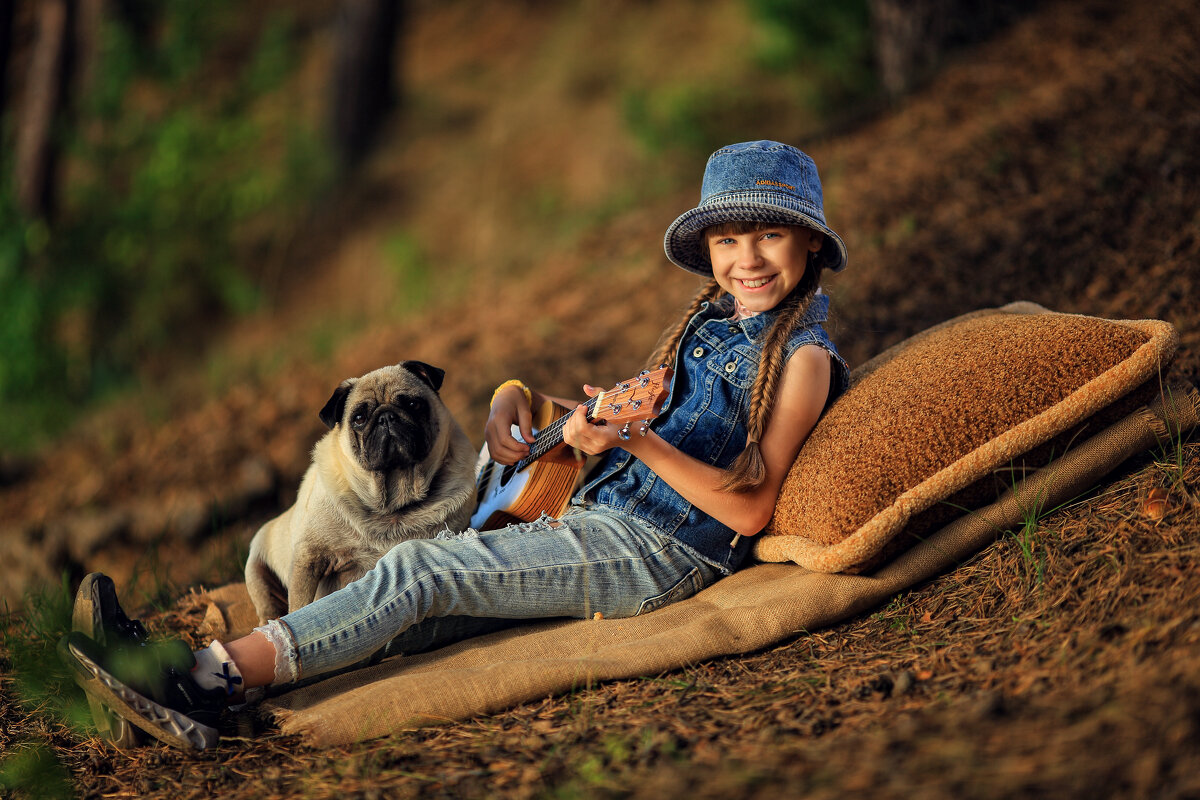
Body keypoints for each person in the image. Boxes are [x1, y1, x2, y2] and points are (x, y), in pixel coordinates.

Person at [59, 140, 851, 750]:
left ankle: (195, 677)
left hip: (659, 551)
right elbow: (637, 418)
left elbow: (747, 506)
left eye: (769, 235)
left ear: (810, 244)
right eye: (728, 241)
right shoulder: (715, 322)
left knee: (420, 569)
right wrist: (538, 410)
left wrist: (637, 444)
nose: (745, 259)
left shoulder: (802, 359)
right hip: (599, 514)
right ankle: (201, 694)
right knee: (415, 615)